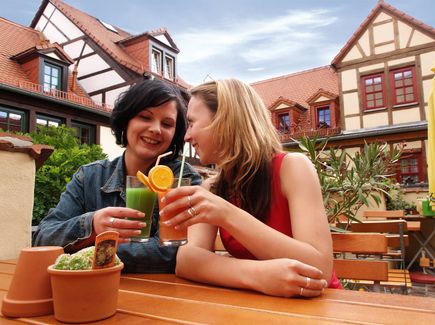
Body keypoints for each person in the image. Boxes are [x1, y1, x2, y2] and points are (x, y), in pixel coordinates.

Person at [159, 79, 341, 297]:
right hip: (257, 306)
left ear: (225, 121)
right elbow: (186, 260)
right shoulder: (213, 188)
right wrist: (258, 275)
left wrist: (226, 214)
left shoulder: (292, 168)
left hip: (319, 305)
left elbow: (321, 267)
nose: (187, 136)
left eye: (191, 123)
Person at [33, 77, 202, 273]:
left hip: (158, 294)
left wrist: (94, 250)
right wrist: (92, 224)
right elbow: (43, 238)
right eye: (145, 117)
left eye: (167, 124)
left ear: (175, 134)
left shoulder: (182, 180)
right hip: (88, 292)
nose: (156, 129)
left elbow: (173, 252)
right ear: (126, 121)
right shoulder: (89, 176)